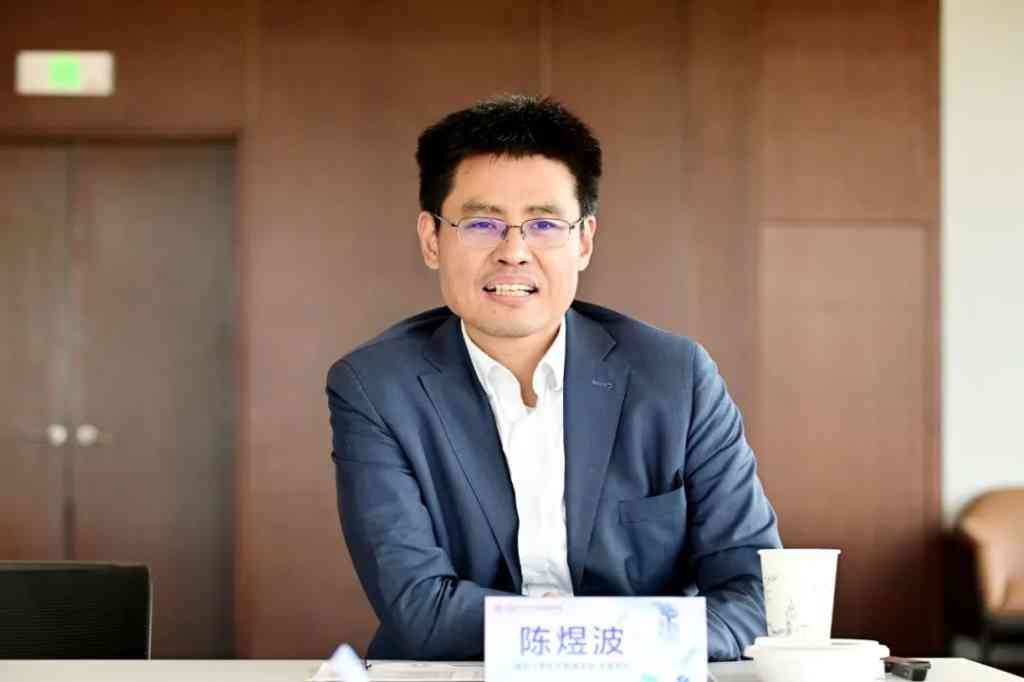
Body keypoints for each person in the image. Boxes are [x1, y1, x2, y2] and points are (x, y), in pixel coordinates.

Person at [326, 95, 781, 662]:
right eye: (482, 224)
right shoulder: (376, 387)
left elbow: (755, 593)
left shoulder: (675, 378)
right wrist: (630, 638)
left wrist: (603, 653)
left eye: (544, 224)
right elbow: (420, 609)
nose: (514, 252)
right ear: (431, 239)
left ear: (583, 240)